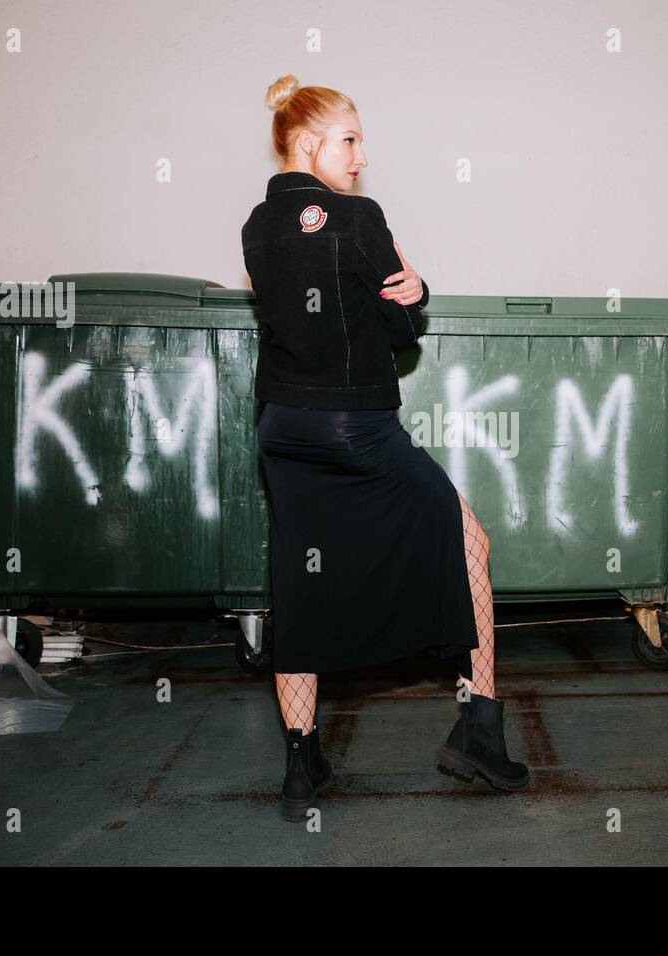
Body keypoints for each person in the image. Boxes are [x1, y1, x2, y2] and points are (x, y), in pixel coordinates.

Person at [242, 75, 531, 822]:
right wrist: (416, 290)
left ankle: (302, 765)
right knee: (469, 540)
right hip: (355, 426)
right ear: (308, 142)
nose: (362, 157)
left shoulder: (254, 227)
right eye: (349, 140)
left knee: (299, 583)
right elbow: (397, 333)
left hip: (282, 429)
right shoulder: (361, 217)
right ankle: (481, 732)